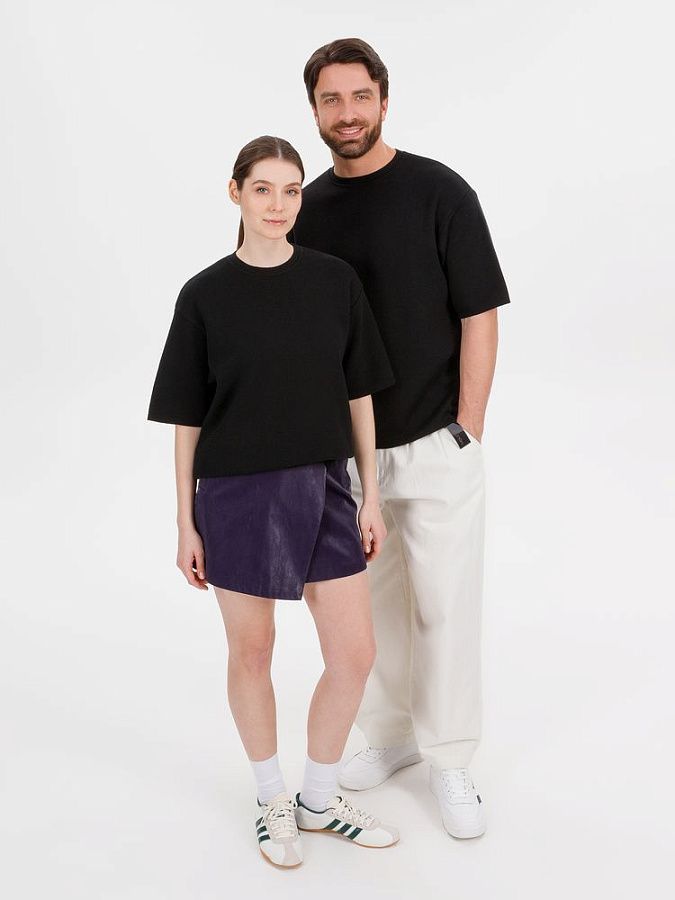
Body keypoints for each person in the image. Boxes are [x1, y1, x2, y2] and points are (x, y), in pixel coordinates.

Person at [147, 135, 400, 868]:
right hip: (235, 493)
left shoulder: (333, 282)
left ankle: (318, 799)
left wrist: (369, 496)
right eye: (263, 189)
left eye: (291, 190)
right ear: (236, 193)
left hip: (325, 485)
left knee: (354, 653)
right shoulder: (204, 295)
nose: (279, 204)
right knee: (252, 652)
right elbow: (187, 418)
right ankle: (271, 801)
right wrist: (185, 520)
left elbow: (358, 395)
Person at [291, 39, 511, 840]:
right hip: (349, 454)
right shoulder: (305, 210)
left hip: (435, 440)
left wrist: (467, 427)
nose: (346, 113)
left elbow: (478, 312)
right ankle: (388, 737)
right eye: (330, 99)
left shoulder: (438, 191)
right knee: (374, 607)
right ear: (314, 110)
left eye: (359, 96)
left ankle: (448, 755)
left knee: (445, 604)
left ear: (383, 100)